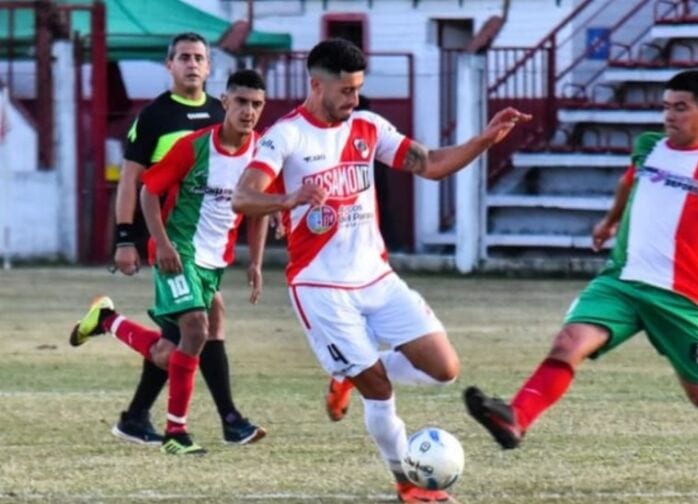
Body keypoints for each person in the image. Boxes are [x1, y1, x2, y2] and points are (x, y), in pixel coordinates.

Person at [231, 38, 530, 502]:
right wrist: (286, 199)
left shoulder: (368, 126)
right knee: (378, 386)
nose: (354, 100)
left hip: (376, 277)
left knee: (443, 370)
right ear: (316, 85)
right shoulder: (286, 136)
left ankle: (345, 373)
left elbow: (428, 164)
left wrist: (483, 140)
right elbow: (243, 197)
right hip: (320, 286)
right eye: (346, 91)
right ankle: (407, 482)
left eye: (358, 90)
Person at [463, 69, 698, 490]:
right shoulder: (648, 147)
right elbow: (629, 183)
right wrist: (610, 221)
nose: (670, 115)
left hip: (681, 298)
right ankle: (516, 419)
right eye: (666, 106)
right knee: (568, 343)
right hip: (622, 280)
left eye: (681, 107)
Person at [71, 69, 269, 455]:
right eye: (241, 101)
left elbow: (259, 209)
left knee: (171, 351)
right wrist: (160, 244)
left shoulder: (262, 153)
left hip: (214, 261)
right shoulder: (194, 146)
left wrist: (256, 263)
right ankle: (178, 433)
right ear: (224, 102)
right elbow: (147, 190)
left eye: (256, 104)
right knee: (196, 329)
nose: (248, 111)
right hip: (180, 251)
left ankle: (108, 321)